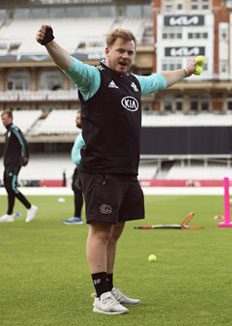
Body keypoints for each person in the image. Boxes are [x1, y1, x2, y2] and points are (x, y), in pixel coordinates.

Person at [36, 25, 198, 314]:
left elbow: (160, 80)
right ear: (107, 51)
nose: (125, 56)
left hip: (127, 171)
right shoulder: (93, 77)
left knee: (116, 232)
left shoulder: (134, 83)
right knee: (100, 231)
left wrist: (186, 70)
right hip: (101, 169)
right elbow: (67, 63)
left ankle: (109, 287)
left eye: (130, 52)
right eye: (120, 51)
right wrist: (50, 43)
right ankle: (100, 296)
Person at [0, 110, 38, 223]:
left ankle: (30, 208)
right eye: (2, 119)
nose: (3, 121)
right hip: (7, 165)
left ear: (11, 118)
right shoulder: (7, 132)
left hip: (14, 164)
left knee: (12, 187)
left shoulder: (14, 129)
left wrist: (26, 157)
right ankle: (9, 214)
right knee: (8, 188)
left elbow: (24, 143)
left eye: (5, 118)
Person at [63, 111, 85, 225]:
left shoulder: (87, 132)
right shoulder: (82, 133)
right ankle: (77, 216)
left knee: (78, 189)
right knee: (77, 189)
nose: (76, 120)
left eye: (78, 118)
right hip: (79, 167)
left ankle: (78, 217)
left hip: (84, 166)